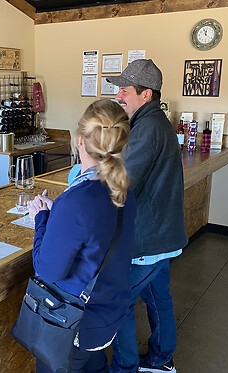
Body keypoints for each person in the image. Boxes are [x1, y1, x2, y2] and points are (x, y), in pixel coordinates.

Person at [27, 99, 136, 373]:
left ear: (79, 140)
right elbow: (98, 232)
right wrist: (58, 215)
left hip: (75, 322)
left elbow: (48, 269)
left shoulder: (75, 200)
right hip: (107, 311)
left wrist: (41, 218)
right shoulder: (122, 189)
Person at [106, 59, 188, 373]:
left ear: (146, 94)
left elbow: (121, 181)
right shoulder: (153, 123)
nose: (119, 96)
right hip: (163, 236)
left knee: (120, 302)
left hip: (147, 241)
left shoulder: (148, 128)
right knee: (158, 297)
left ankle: (125, 367)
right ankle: (161, 359)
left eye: (125, 90)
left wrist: (86, 176)